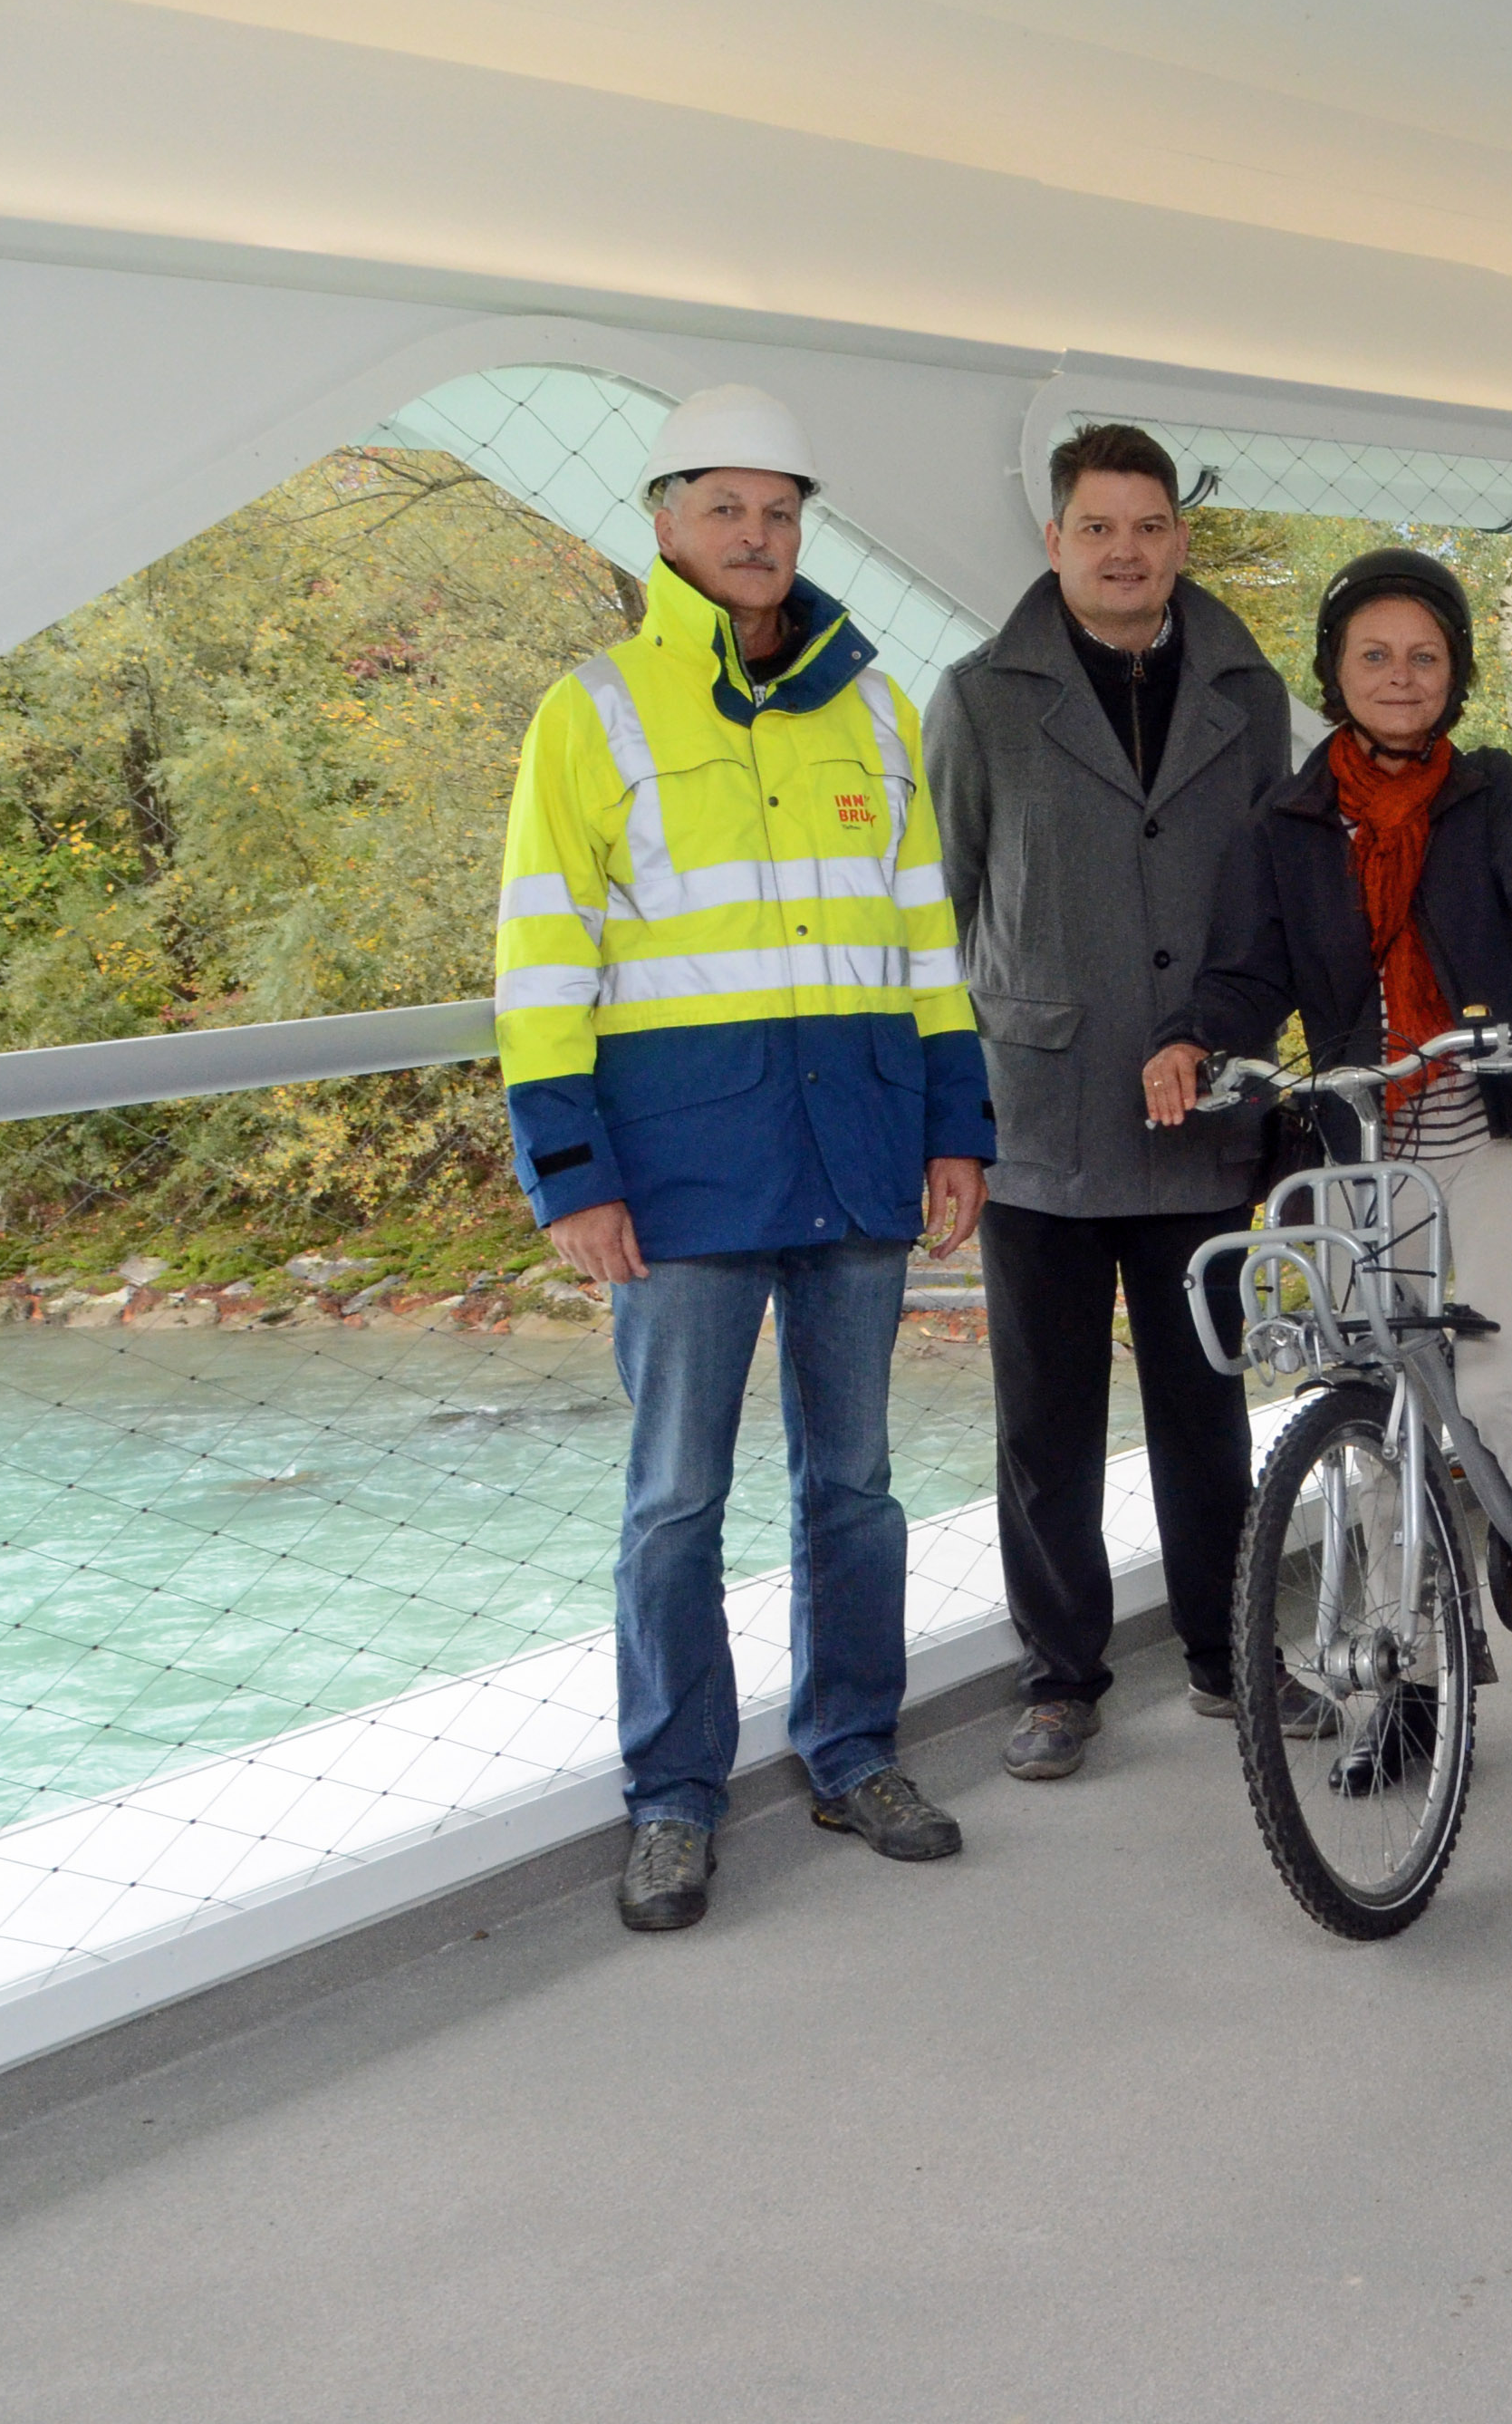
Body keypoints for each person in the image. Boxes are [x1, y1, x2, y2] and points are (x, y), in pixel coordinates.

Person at [492, 384, 997, 1936]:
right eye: (726, 508)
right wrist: (570, 1170)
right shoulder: (593, 709)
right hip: (682, 1171)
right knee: (674, 1500)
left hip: (853, 1149)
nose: (757, 535)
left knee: (853, 1485)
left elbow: (927, 937)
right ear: (662, 522)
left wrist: (953, 1125)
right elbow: (538, 951)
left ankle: (852, 1749)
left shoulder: (874, 708)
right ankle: (672, 1796)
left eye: (779, 511)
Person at [1139, 548, 1512, 1700]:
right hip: (1358, 1139)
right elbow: (1242, 979)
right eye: (1373, 654)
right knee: (1374, 1407)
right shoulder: (1280, 825)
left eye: (1424, 656)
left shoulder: (1490, 794)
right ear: (1333, 672)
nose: (1399, 674)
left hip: (1494, 1120)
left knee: (1486, 1380)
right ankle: (1408, 1683)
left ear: (1454, 674)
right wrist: (1192, 1039)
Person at [924, 423, 1300, 1783]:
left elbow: (1273, 897)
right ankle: (1060, 1675)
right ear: (1056, 540)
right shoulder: (977, 700)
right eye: (1099, 528)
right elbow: (944, 912)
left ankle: (1225, 1651)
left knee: (1209, 1408)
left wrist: (1237, 1040)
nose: (1126, 551)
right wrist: (947, 1116)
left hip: (1204, 1108)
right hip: (1043, 1113)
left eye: (1148, 528)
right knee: (1047, 1416)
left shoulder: (1249, 692)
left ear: (1178, 541)